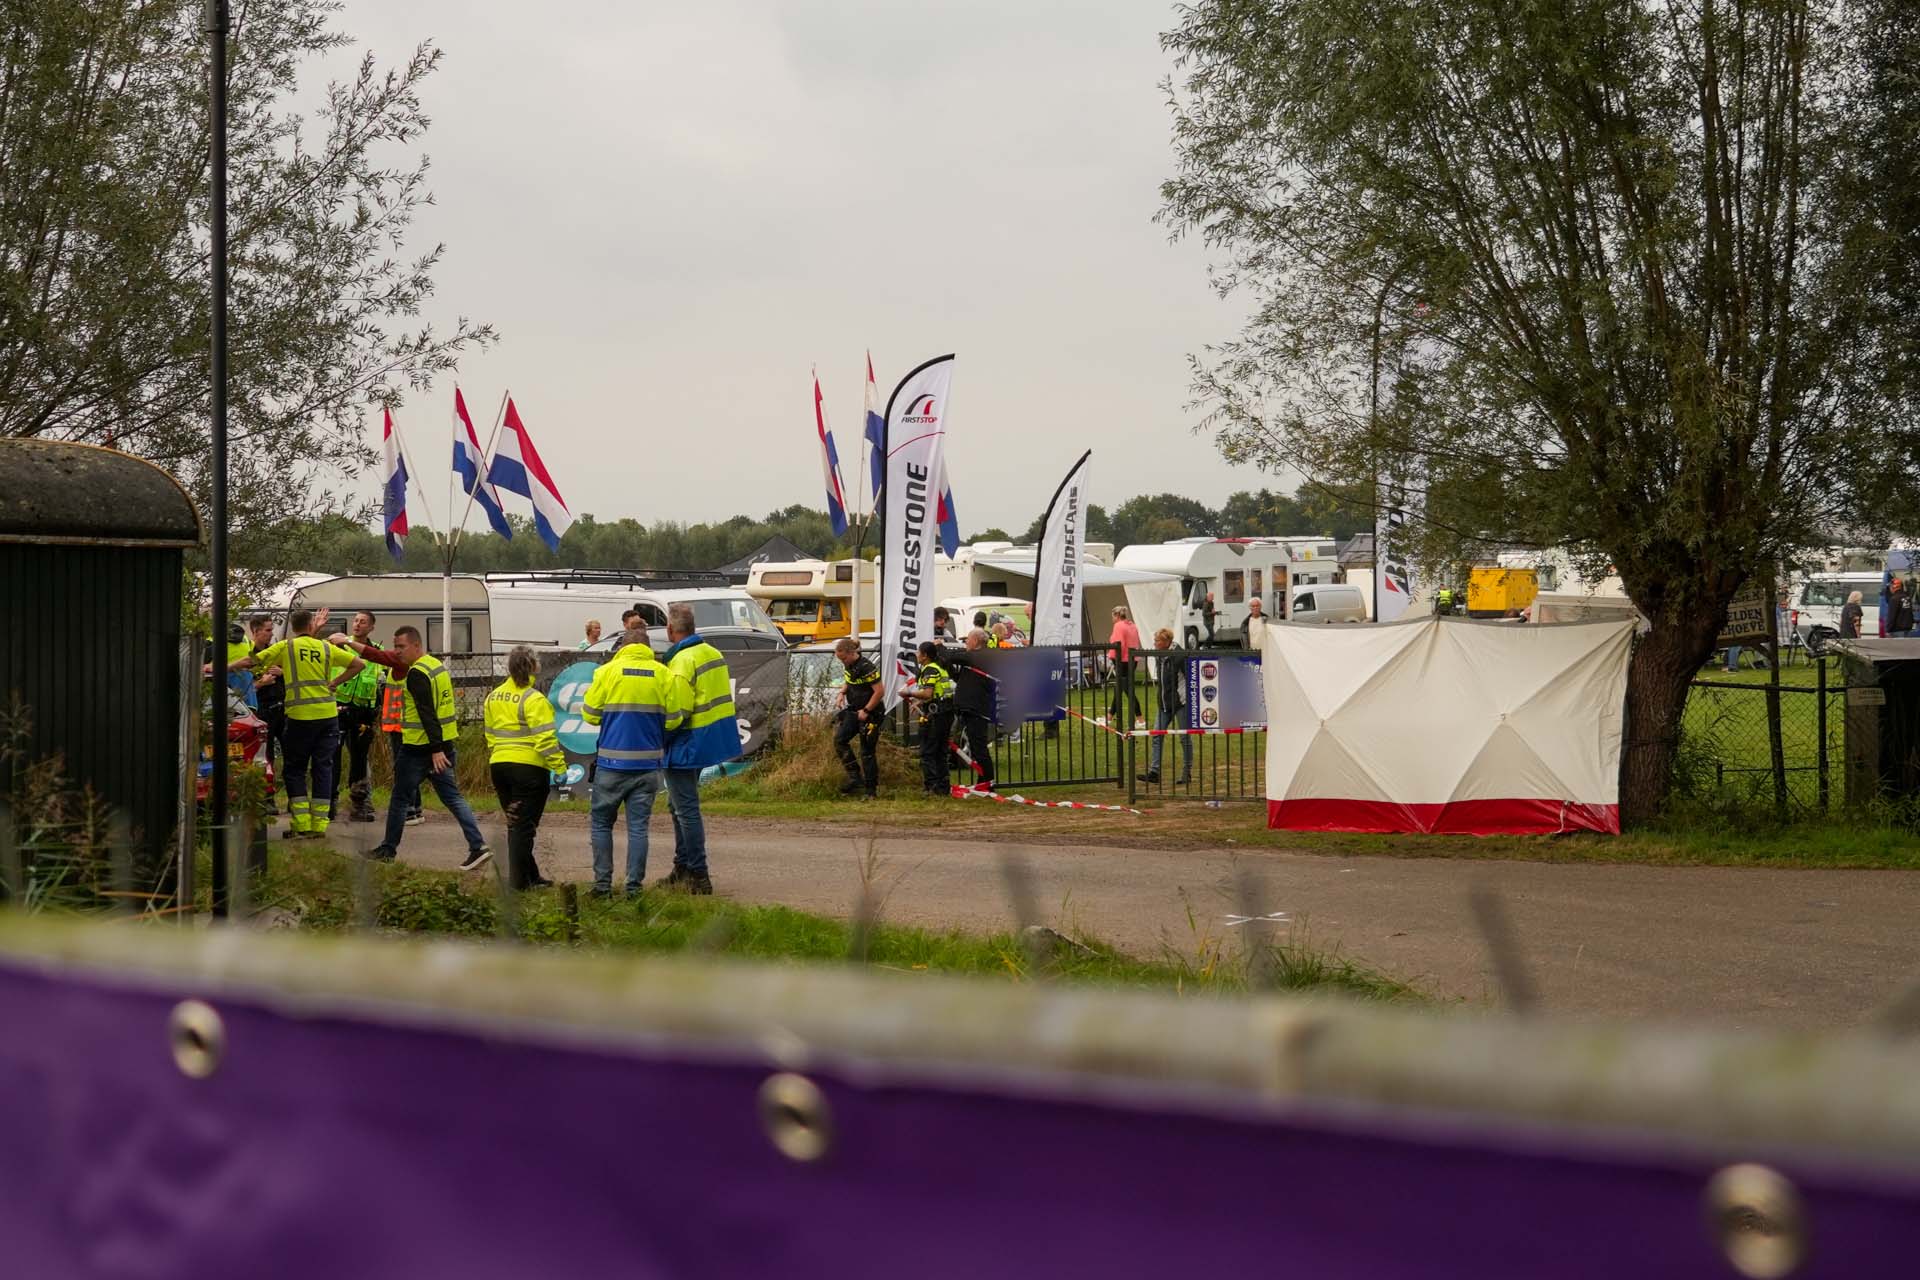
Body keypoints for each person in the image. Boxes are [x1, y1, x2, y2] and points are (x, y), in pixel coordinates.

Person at [336, 625, 492, 868]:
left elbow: (427, 712)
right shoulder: (436, 666)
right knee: (453, 798)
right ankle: (477, 846)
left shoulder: (417, 673)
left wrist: (435, 749)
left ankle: (388, 850)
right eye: (395, 646)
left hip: (420, 748)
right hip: (442, 745)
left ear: (417, 645)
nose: (397, 652)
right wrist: (440, 748)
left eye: (402, 647)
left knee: (399, 799)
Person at [224, 608, 364, 839]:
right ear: (311, 626)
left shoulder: (286, 647)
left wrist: (223, 667)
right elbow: (358, 664)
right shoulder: (325, 647)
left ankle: (301, 824)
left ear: (293, 628)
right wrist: (335, 682)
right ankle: (320, 825)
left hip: (300, 717)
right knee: (323, 767)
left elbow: (252, 661)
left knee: (295, 769)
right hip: (328, 716)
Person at [581, 623, 684, 899]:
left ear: (623, 647)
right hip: (649, 765)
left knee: (602, 823)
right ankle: (633, 888)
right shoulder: (664, 674)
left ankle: (602, 887)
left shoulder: (606, 672)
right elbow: (674, 719)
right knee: (639, 828)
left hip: (611, 765)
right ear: (648, 649)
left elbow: (590, 715)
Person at [660, 603, 734, 893]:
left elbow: (677, 712)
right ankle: (683, 865)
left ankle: (698, 874)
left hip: (687, 740)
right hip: (709, 738)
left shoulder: (681, 661)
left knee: (686, 808)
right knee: (677, 804)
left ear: (670, 629)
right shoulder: (712, 652)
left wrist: (659, 737)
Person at [484, 645, 564, 890]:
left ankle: (530, 875)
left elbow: (489, 734)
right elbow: (545, 739)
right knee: (523, 827)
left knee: (516, 823)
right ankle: (519, 883)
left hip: (499, 765)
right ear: (533, 668)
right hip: (528, 769)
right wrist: (559, 767)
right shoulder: (534, 698)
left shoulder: (493, 696)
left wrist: (500, 754)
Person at [328, 610, 382, 824]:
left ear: (371, 627)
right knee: (333, 756)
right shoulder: (338, 644)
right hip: (338, 707)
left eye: (363, 622)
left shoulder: (376, 650)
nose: (358, 625)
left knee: (360, 759)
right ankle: (329, 802)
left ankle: (359, 804)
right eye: (356, 621)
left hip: (363, 711)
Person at [941, 629, 997, 790]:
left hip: (977, 709)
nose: (965, 643)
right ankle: (982, 782)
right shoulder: (973, 660)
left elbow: (953, 656)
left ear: (976, 641)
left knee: (979, 747)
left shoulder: (981, 656)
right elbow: (960, 678)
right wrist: (947, 666)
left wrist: (940, 647)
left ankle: (988, 783)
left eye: (968, 640)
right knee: (974, 746)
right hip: (967, 708)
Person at [832, 636, 885, 798]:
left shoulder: (866, 667)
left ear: (851, 653)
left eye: (843, 658)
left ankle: (871, 791)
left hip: (871, 714)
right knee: (840, 740)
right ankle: (855, 778)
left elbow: (879, 691)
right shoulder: (849, 666)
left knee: (867, 751)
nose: (843, 662)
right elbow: (849, 681)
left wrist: (867, 710)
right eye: (840, 659)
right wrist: (842, 693)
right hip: (853, 711)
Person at [1140, 628, 1191, 787]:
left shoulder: (1179, 656)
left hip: (1180, 703)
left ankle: (1186, 772)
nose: (1154, 644)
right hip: (1163, 704)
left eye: (1157, 641)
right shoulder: (1159, 655)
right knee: (1157, 735)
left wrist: (1183, 698)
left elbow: (1189, 678)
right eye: (1155, 641)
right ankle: (1154, 772)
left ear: (1167, 642)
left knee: (1184, 738)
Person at [247, 614, 286, 810]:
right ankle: (267, 799)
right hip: (262, 711)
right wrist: (261, 683)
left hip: (283, 710)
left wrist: (283, 673)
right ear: (255, 632)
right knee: (265, 757)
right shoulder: (248, 658)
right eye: (268, 630)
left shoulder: (275, 653)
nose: (271, 634)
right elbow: (242, 691)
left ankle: (294, 799)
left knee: (292, 754)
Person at [908, 639, 957, 796]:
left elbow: (928, 693)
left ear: (925, 655)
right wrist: (919, 702)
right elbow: (936, 693)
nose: (916, 655)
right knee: (941, 751)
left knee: (928, 751)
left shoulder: (930, 669)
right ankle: (943, 787)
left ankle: (931, 787)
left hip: (936, 715)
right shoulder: (939, 667)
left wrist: (908, 693)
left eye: (918, 652)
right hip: (944, 712)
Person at [1106, 605, 1142, 726]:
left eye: (1112, 616)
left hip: (1122, 660)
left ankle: (1140, 719)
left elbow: (1119, 644)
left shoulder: (1118, 626)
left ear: (1116, 616)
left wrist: (1115, 659)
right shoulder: (1132, 625)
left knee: (1126, 689)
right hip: (1133, 659)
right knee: (1121, 688)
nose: (1112, 619)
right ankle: (1109, 717)